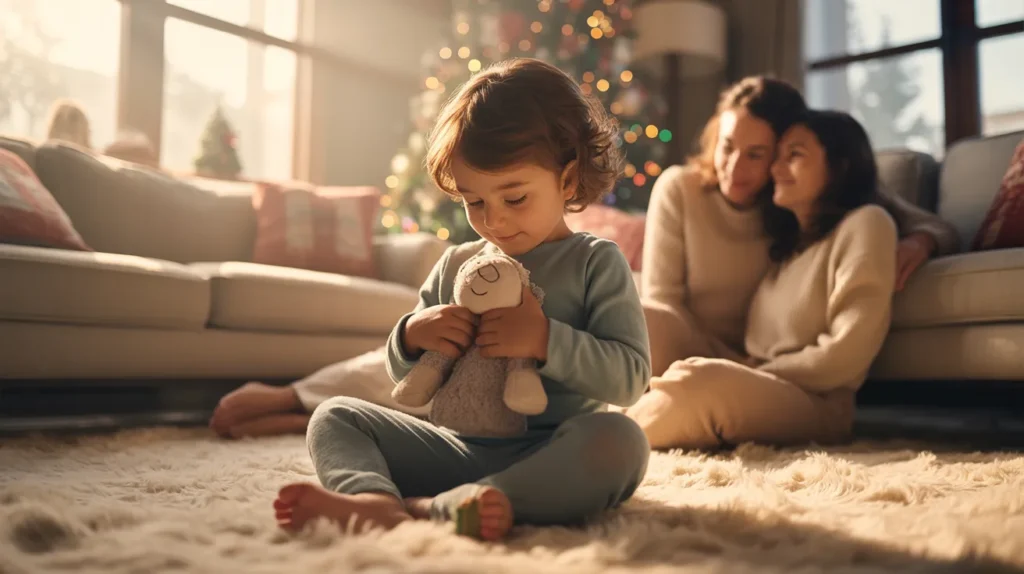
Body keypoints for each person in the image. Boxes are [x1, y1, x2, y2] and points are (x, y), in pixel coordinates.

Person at [272, 58, 651, 541]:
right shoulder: (457, 264)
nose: (493, 220)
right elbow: (411, 378)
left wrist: (546, 339)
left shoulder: (596, 261)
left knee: (622, 442)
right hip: (453, 447)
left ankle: (450, 507)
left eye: (514, 199)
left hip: (552, 451)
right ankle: (373, 501)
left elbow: (631, 379)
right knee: (335, 416)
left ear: (568, 180)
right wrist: (411, 336)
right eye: (475, 202)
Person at [638, 77, 960, 380]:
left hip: (770, 361)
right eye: (727, 146)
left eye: (755, 154)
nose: (734, 167)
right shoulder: (679, 189)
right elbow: (665, 304)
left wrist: (921, 241)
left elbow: (932, 224)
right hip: (696, 349)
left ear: (780, 153)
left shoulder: (795, 195)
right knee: (644, 320)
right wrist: (723, 364)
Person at [627, 110, 901, 450]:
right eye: (777, 156)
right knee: (639, 316)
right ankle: (582, 411)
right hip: (756, 374)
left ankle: (602, 435)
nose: (775, 168)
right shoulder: (789, 244)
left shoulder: (868, 223)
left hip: (817, 399)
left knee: (701, 384)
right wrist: (747, 370)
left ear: (839, 166)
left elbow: (847, 355)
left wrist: (760, 372)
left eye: (795, 156)